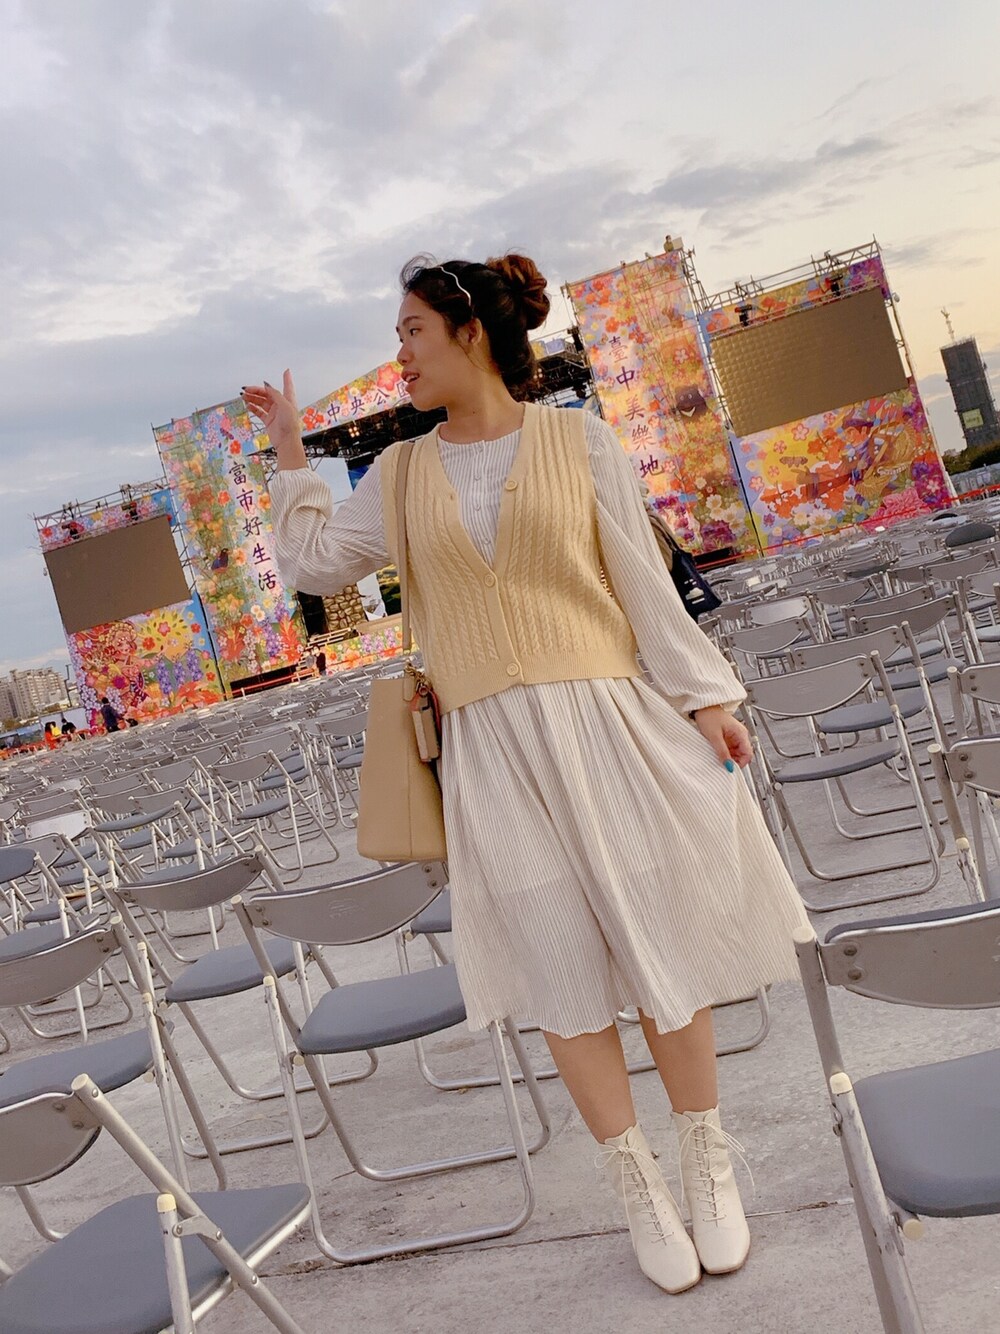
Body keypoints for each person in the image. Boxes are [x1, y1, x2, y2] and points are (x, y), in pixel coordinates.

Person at [244, 252, 808, 1295]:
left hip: (608, 724)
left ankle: (705, 1157)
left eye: (412, 330)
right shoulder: (398, 472)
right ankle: (635, 1182)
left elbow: (640, 580)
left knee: (659, 943)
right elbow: (315, 563)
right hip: (490, 752)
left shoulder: (576, 439)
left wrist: (706, 697)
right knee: (560, 971)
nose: (400, 353)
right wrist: (288, 453)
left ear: (469, 332)